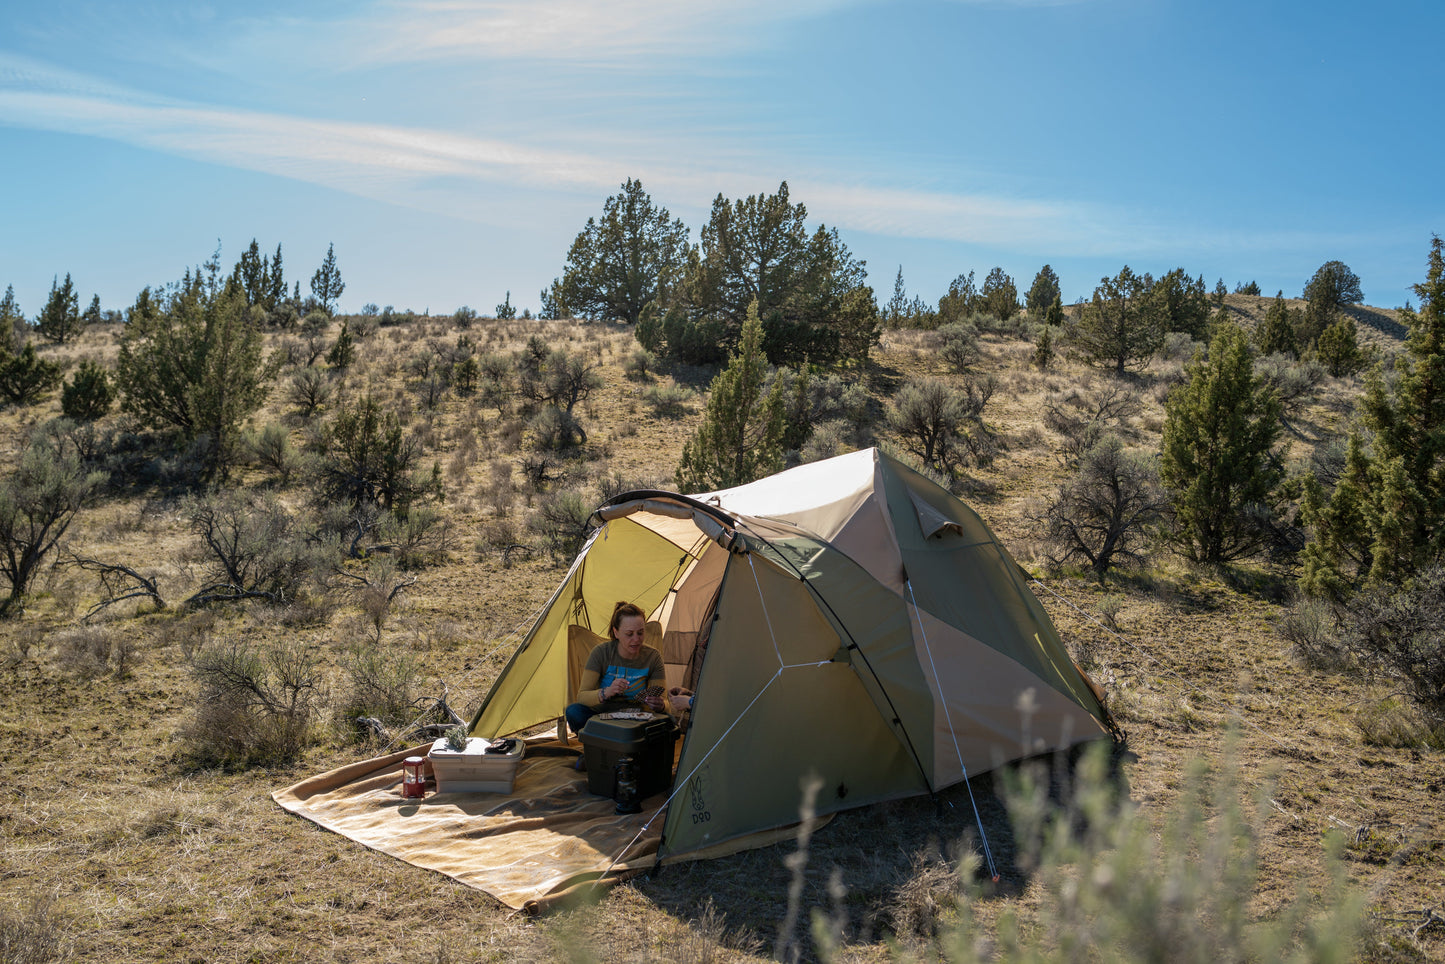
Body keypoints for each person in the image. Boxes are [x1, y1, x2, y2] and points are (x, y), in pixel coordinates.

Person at [564, 601, 667, 737]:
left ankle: (609, 740)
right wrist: (606, 692)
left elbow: (665, 702)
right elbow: (582, 697)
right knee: (573, 711)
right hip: (602, 716)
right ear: (616, 632)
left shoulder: (653, 657)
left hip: (636, 718)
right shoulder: (601, 653)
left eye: (640, 633)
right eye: (629, 634)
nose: (636, 639)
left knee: (667, 723)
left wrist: (661, 705)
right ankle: (603, 742)